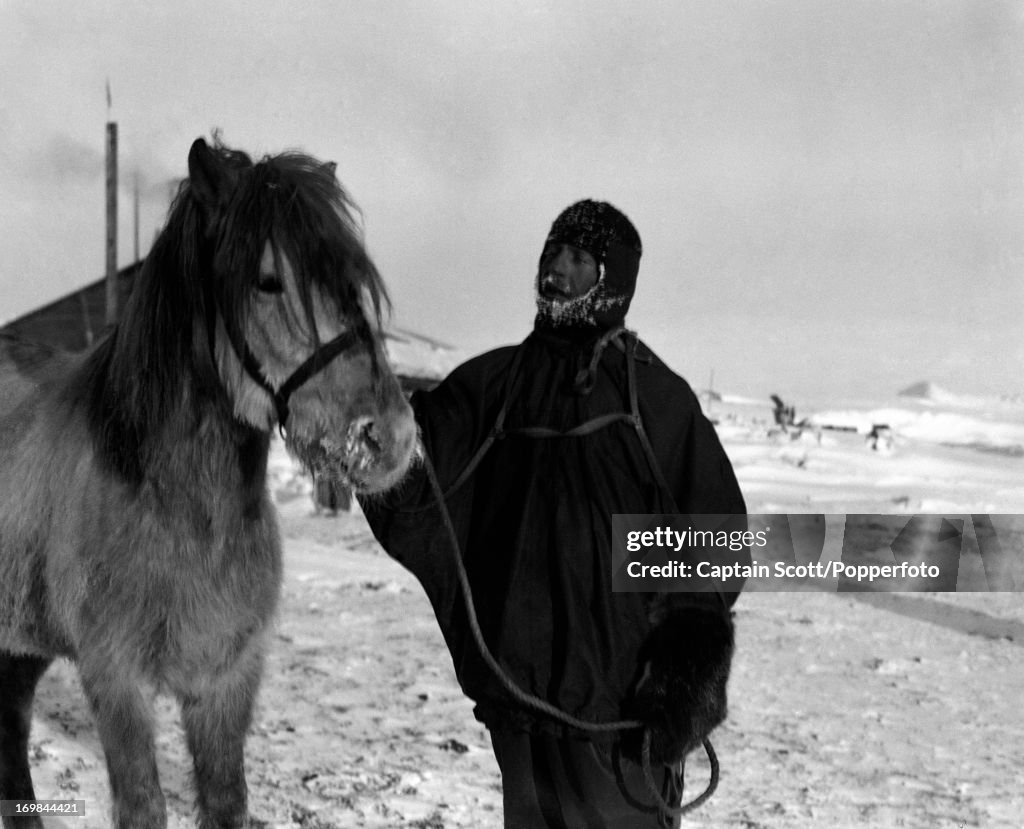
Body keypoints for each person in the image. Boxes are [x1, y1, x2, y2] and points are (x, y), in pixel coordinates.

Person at [359, 200, 747, 828]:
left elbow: (716, 542)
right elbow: (416, 473)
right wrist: (364, 424)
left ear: (611, 277)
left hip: (618, 716)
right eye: (551, 253)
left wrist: (679, 685)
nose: (556, 268)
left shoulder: (653, 399)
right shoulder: (495, 384)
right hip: (521, 703)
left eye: (577, 257)